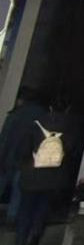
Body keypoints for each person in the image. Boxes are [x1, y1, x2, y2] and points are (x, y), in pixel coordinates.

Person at [12, 93, 78, 245]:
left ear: (49, 107)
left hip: (32, 173)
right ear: (68, 109)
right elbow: (71, 151)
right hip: (54, 175)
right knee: (43, 209)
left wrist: (24, 163)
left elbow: (23, 149)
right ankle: (34, 240)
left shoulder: (36, 124)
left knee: (25, 209)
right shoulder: (70, 128)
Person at [0, 86, 47, 228]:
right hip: (27, 157)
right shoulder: (42, 115)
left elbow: (5, 138)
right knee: (18, 189)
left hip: (9, 156)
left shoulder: (15, 114)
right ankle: (12, 217)